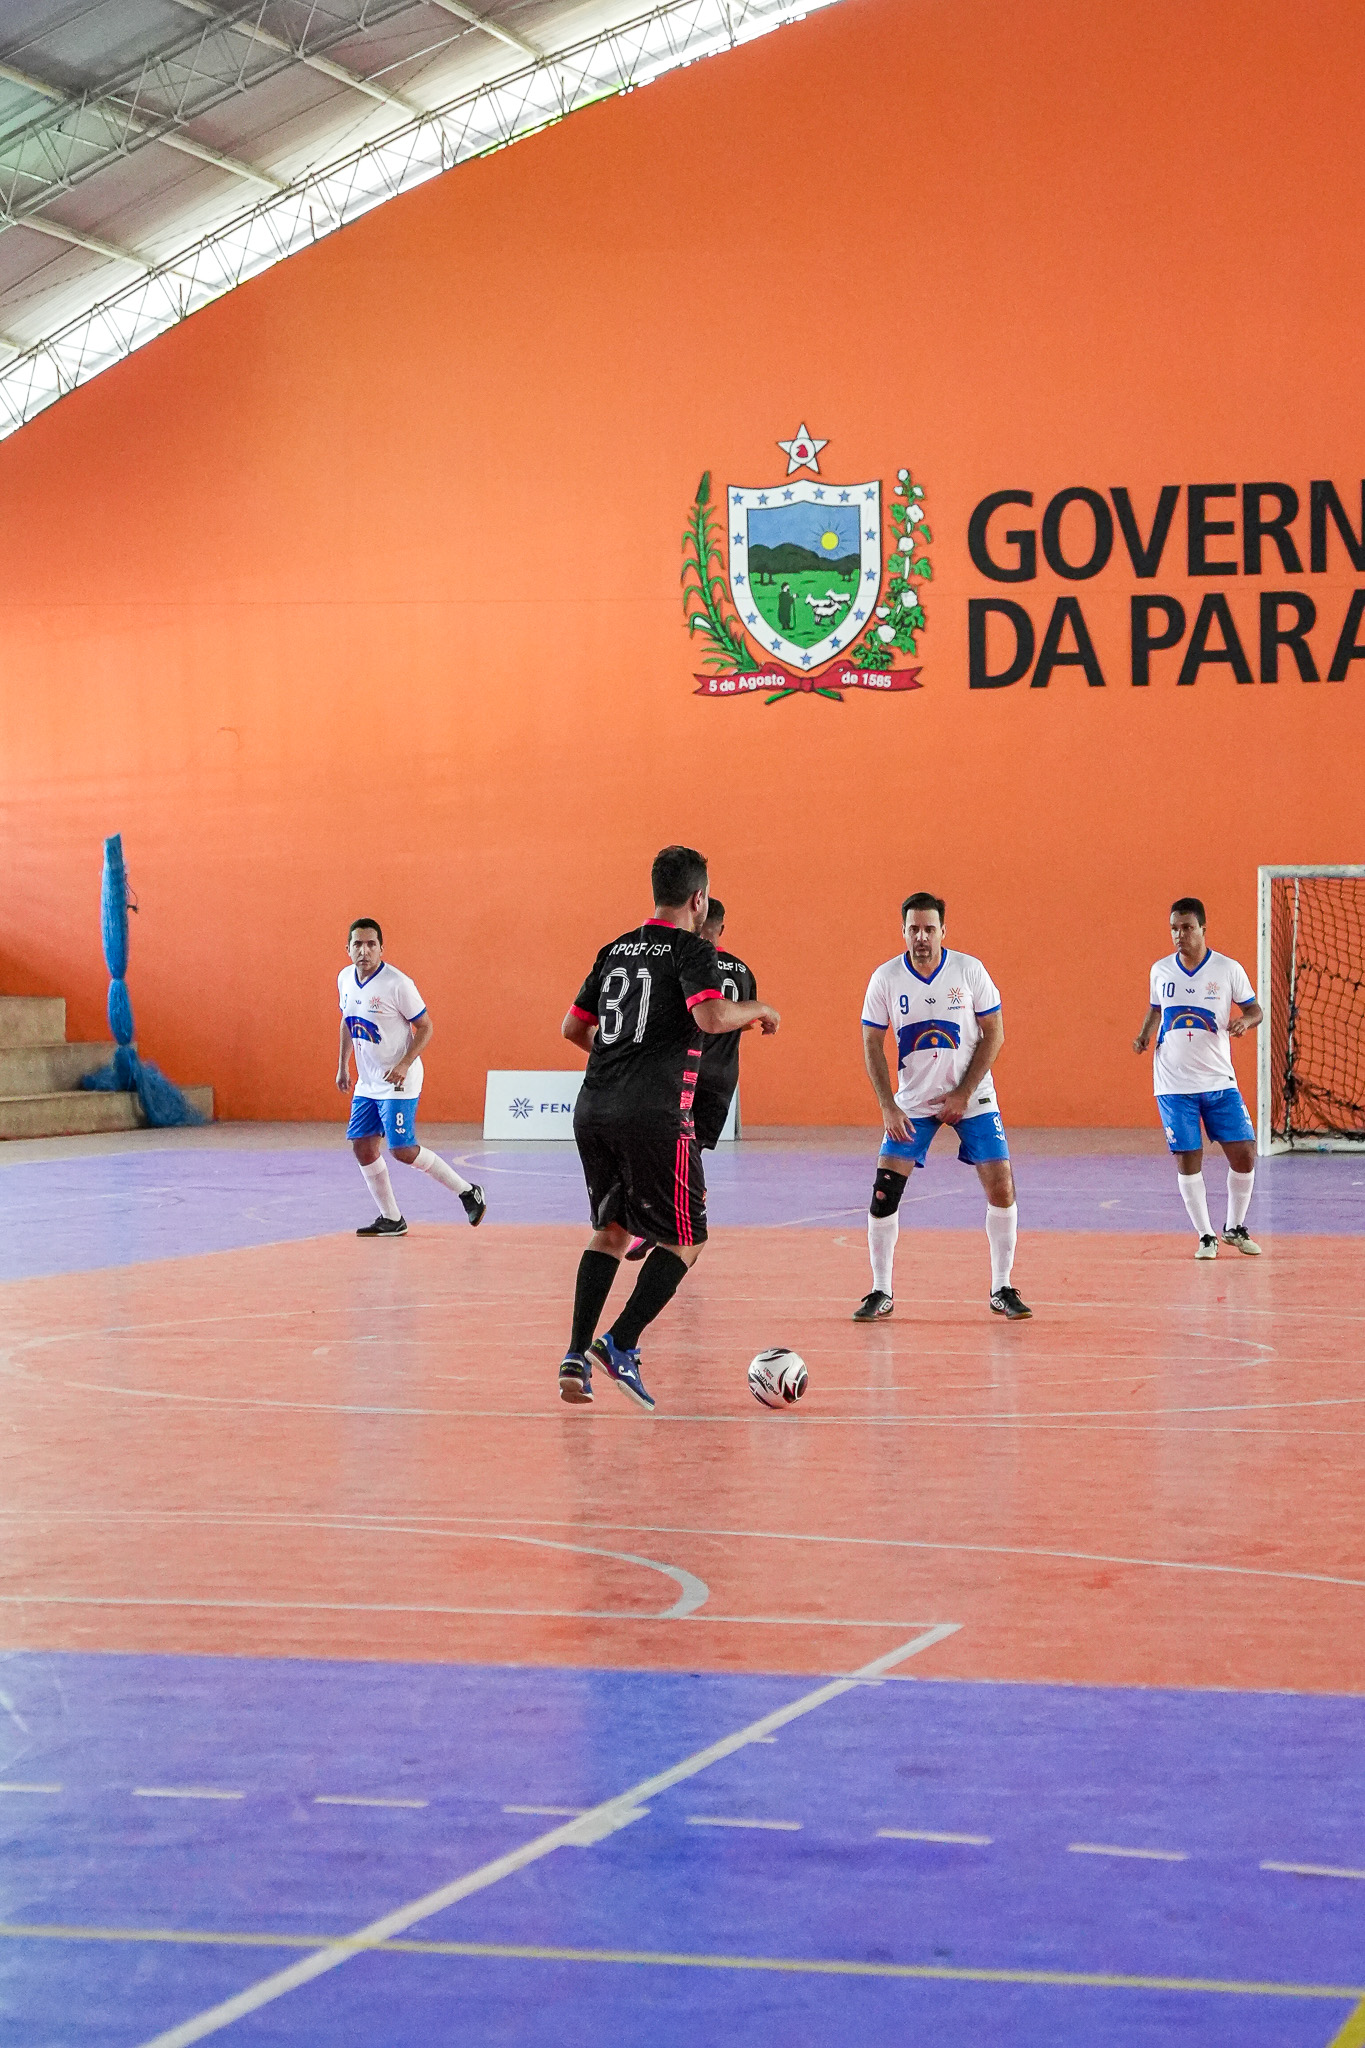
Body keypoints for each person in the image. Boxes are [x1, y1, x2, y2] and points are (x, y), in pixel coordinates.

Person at [558, 847, 779, 1410]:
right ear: (698, 899)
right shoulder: (692, 949)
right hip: (655, 1115)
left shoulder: (615, 948)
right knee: (688, 1238)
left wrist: (621, 1057)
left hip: (593, 1108)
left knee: (611, 1230)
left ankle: (575, 1356)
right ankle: (620, 1342)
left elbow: (573, 1028)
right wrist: (759, 1009)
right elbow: (712, 1016)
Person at [855, 891, 1029, 1322]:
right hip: (913, 1101)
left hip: (973, 1097)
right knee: (884, 1192)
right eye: (913, 929)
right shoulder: (885, 978)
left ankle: (1002, 1287)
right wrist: (888, 1106)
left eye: (929, 929)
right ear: (903, 932)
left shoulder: (969, 971)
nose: (921, 937)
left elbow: (994, 1033)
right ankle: (880, 1291)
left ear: (943, 931)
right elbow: (872, 1043)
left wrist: (964, 1094)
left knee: (1001, 1185)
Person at [624, 894, 756, 1260]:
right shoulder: (743, 971)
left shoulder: (689, 960)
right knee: (690, 1150)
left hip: (686, 1072)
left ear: (696, 918)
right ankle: (677, 1215)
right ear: (722, 927)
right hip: (723, 1077)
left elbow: (693, 1014)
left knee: (668, 1147)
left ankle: (665, 1220)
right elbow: (740, 1019)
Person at [336, 918, 486, 1237]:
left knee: (402, 1149)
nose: (364, 951)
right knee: (362, 1146)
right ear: (347, 948)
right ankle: (391, 1218)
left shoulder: (397, 984)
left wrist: (405, 1064)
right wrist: (343, 1065)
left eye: (371, 944)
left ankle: (467, 1191)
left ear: (381, 948)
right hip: (368, 1082)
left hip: (398, 1081)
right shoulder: (345, 979)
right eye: (358, 944)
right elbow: (348, 1021)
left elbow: (426, 1026)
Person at [1132, 898, 1262, 1257]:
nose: (1180, 935)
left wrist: (1244, 1021)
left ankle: (1234, 1226)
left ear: (1203, 928)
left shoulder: (1227, 969)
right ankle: (1206, 1235)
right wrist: (1144, 1035)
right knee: (1188, 1158)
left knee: (1244, 1153)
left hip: (1219, 1081)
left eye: (1187, 927)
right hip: (1174, 1084)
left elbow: (1255, 1009)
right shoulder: (1161, 970)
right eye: (1174, 928)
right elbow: (1156, 1009)